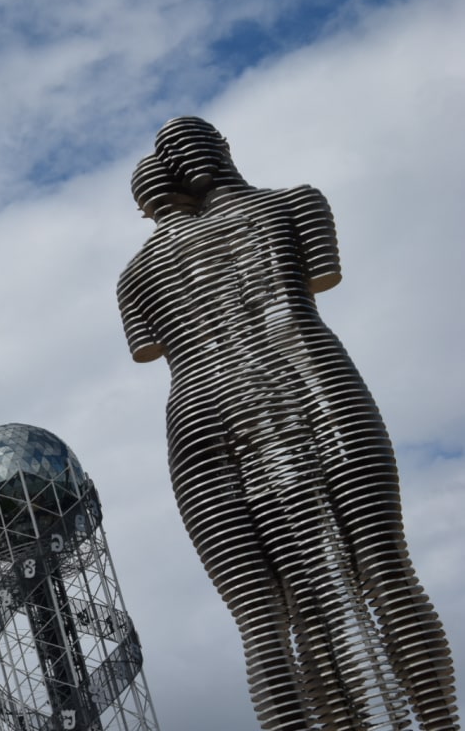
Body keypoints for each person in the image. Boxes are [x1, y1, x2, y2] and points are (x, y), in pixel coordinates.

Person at [118, 118, 458, 730]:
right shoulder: (296, 203)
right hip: (308, 372)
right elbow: (321, 273)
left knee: (268, 613)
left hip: (202, 415)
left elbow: (147, 349)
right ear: (222, 151)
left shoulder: (136, 275)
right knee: (381, 565)